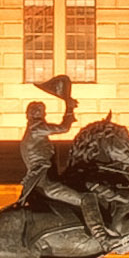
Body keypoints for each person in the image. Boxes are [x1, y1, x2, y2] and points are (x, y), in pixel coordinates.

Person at [17, 79, 87, 225]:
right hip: (46, 181)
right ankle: (102, 236)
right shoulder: (36, 128)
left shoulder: (33, 130)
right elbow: (64, 128)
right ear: (33, 114)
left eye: (43, 112)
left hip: (43, 178)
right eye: (41, 112)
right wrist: (69, 109)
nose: (43, 115)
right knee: (85, 200)